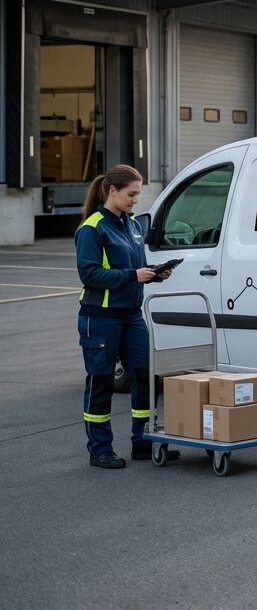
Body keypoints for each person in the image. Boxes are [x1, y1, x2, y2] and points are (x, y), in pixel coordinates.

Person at [75, 164, 173, 469]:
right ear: (112, 191)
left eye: (138, 194)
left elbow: (136, 267)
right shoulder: (91, 228)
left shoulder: (132, 225)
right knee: (102, 382)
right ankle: (100, 449)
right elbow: (89, 274)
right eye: (131, 194)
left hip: (131, 316)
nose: (135, 200)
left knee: (145, 376)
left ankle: (143, 441)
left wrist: (155, 275)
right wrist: (133, 276)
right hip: (100, 317)